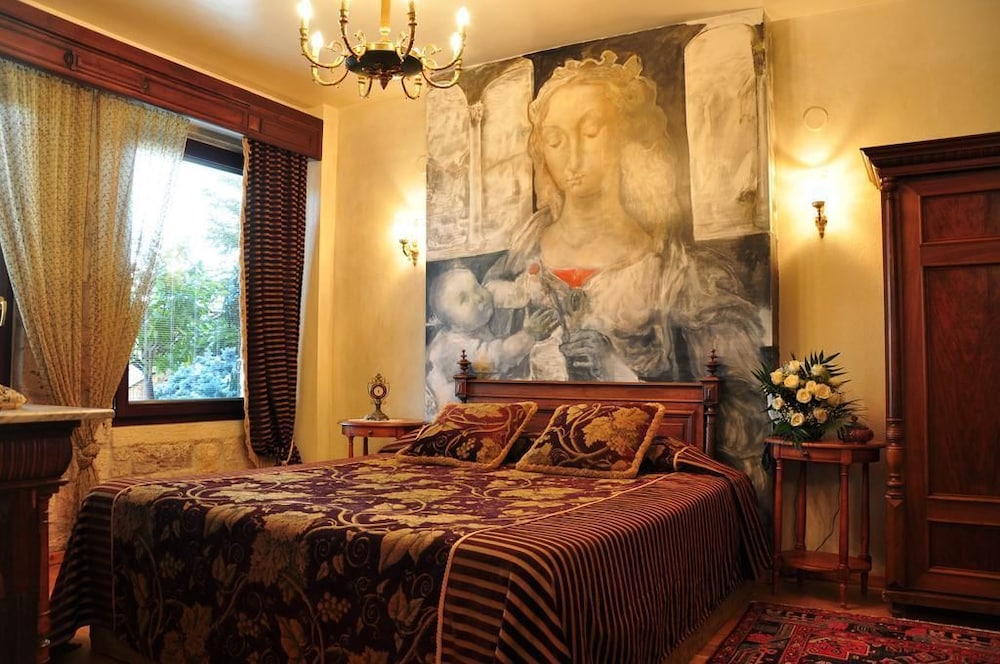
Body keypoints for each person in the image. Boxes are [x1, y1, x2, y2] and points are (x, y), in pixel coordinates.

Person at [486, 50, 770, 494]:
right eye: (555, 139)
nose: (572, 156)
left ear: (626, 136)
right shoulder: (516, 261)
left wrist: (613, 365)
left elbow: (737, 414)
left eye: (591, 132)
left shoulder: (678, 274)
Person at [425, 266, 557, 412]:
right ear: (453, 324)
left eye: (477, 287)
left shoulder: (471, 319)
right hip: (460, 412)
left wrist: (531, 285)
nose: (478, 297)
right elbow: (499, 356)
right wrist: (529, 333)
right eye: (464, 299)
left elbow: (497, 291)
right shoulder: (453, 346)